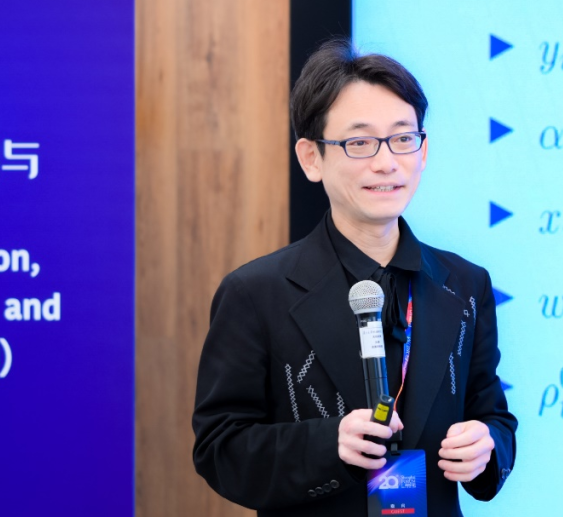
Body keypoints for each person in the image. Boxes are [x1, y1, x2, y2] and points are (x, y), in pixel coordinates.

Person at [192, 39, 517, 516]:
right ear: (311, 158)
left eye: (403, 138)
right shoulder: (256, 294)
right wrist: (329, 445)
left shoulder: (465, 285)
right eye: (360, 143)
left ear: (423, 151)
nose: (387, 162)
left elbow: (493, 416)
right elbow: (220, 449)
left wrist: (486, 445)